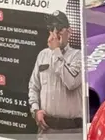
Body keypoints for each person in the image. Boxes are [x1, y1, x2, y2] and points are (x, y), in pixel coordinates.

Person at [28, 11, 84, 139]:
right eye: (51, 29)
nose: (54, 33)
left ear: (69, 31)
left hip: (71, 131)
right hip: (46, 130)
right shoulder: (42, 55)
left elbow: (71, 83)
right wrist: (35, 110)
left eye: (58, 29)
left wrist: (56, 52)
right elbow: (34, 87)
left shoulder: (79, 56)